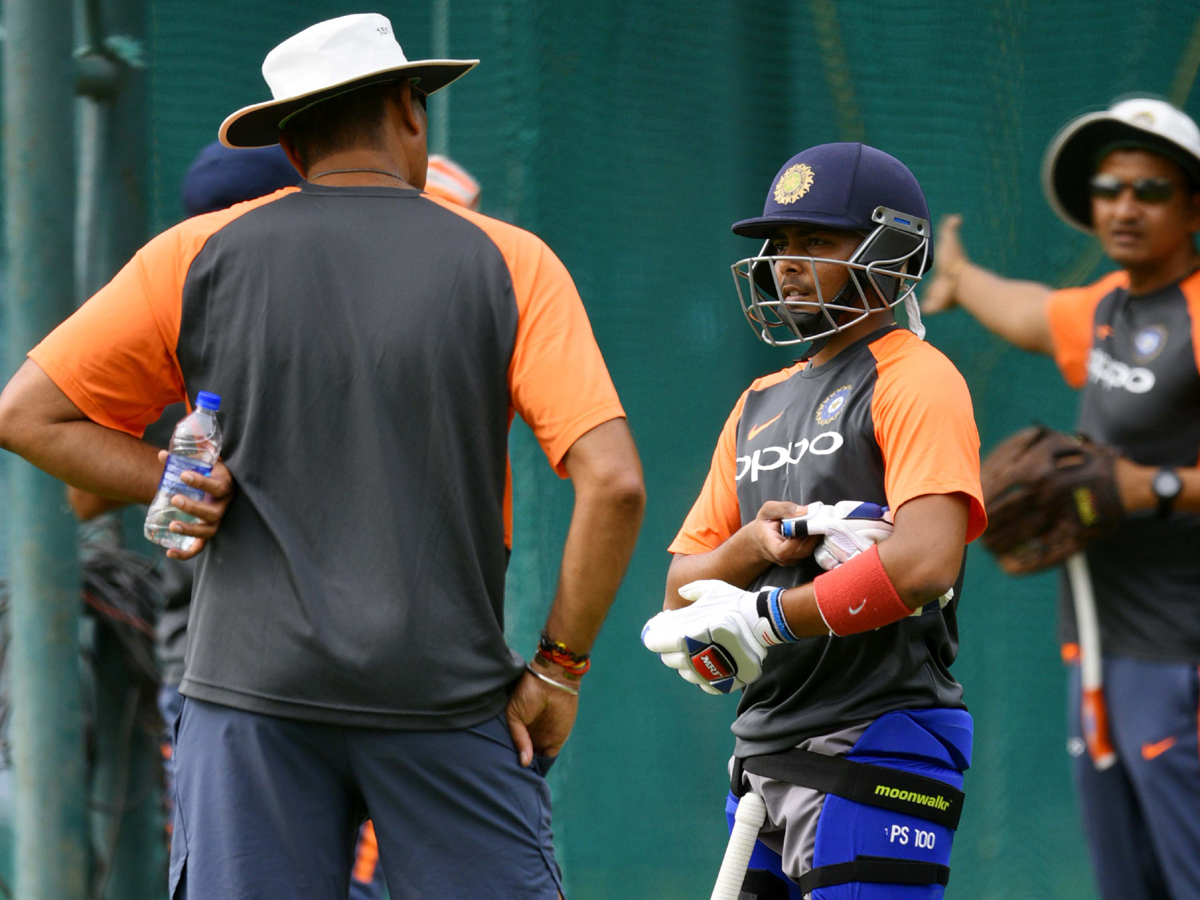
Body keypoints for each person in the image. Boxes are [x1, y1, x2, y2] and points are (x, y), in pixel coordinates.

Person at [0, 13, 644, 900]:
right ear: (410, 112)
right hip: (446, 701)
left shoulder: (191, 256)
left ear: (290, 142)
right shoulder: (512, 260)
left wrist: (178, 478)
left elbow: (25, 415)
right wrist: (557, 670)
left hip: (246, 705)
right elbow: (613, 485)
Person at [642, 142, 986, 898]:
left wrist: (771, 620)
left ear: (890, 252)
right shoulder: (757, 401)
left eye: (816, 242)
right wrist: (747, 547)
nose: (786, 263)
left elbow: (927, 562)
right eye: (779, 246)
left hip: (880, 739)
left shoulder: (918, 377)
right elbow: (680, 591)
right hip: (763, 751)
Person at [921, 95, 1200, 900]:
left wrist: (1156, 485)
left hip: (1181, 653)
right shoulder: (1110, 306)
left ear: (1193, 204)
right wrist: (964, 280)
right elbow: (1034, 314)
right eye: (1110, 187)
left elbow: (1150, 482)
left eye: (1149, 190)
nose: (1123, 205)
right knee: (1124, 883)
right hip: (1097, 646)